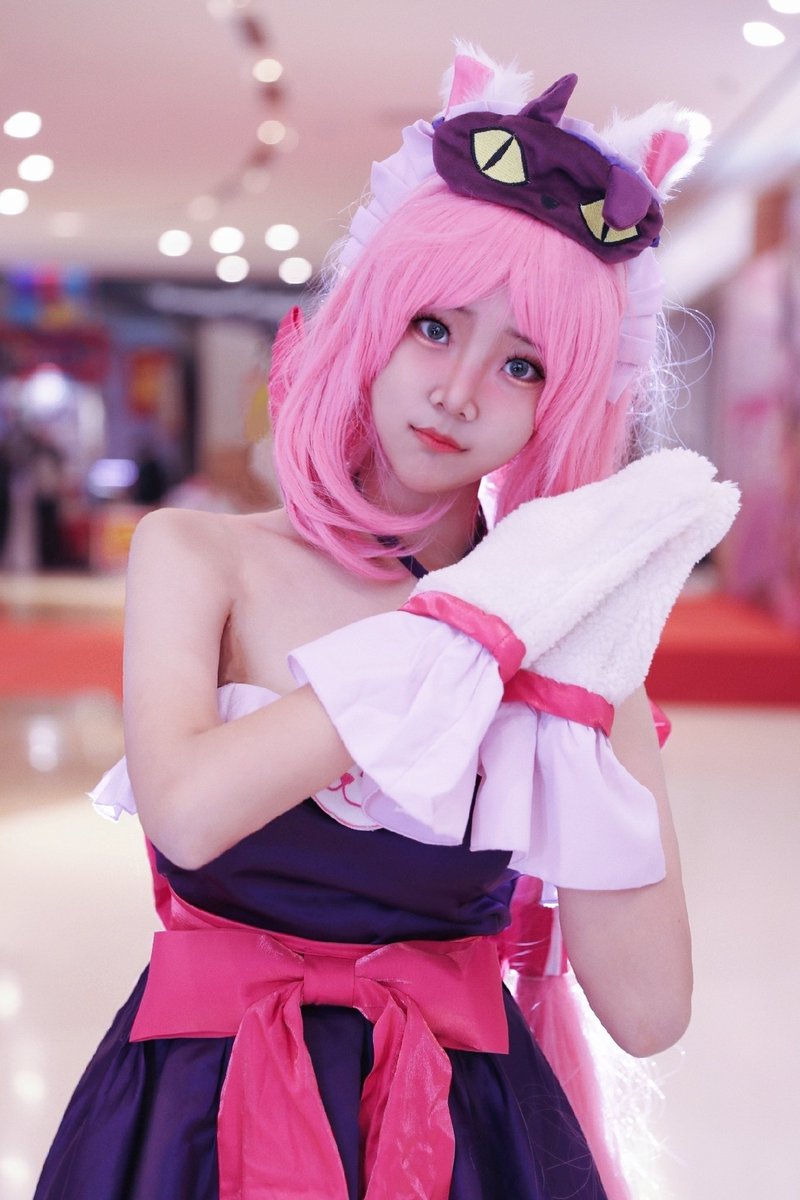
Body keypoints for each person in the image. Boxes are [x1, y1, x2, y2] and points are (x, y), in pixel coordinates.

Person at [34, 47, 738, 1200]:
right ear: (370, 319)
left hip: (461, 1135)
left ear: (561, 406)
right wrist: (466, 632)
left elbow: (648, 1011)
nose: (458, 392)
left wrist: (584, 673)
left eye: (521, 366)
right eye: (433, 328)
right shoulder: (199, 555)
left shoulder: (554, 631)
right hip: (197, 1118)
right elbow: (190, 813)